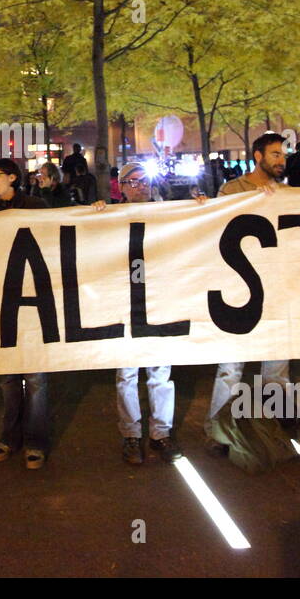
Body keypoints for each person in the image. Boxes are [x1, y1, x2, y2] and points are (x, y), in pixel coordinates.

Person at [90, 161, 185, 465]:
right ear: (122, 188)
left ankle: (161, 434)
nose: (139, 186)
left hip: (159, 299)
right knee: (127, 374)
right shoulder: (112, 215)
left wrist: (200, 207)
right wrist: (94, 216)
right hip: (126, 302)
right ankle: (131, 435)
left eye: (144, 180)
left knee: (160, 372)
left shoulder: (170, 212)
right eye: (132, 182)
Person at [206, 134, 292, 450]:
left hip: (278, 293)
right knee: (231, 368)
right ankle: (219, 432)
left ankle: (274, 431)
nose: (281, 160)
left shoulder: (286, 193)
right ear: (258, 156)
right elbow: (215, 227)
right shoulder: (232, 190)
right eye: (275, 154)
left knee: (277, 370)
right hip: (239, 294)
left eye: (283, 154)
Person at [0, 159, 50, 469]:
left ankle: (35, 440)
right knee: (9, 377)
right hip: (2, 301)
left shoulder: (36, 206)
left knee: (34, 377)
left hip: (35, 300)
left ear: (12, 177)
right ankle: (10, 435)